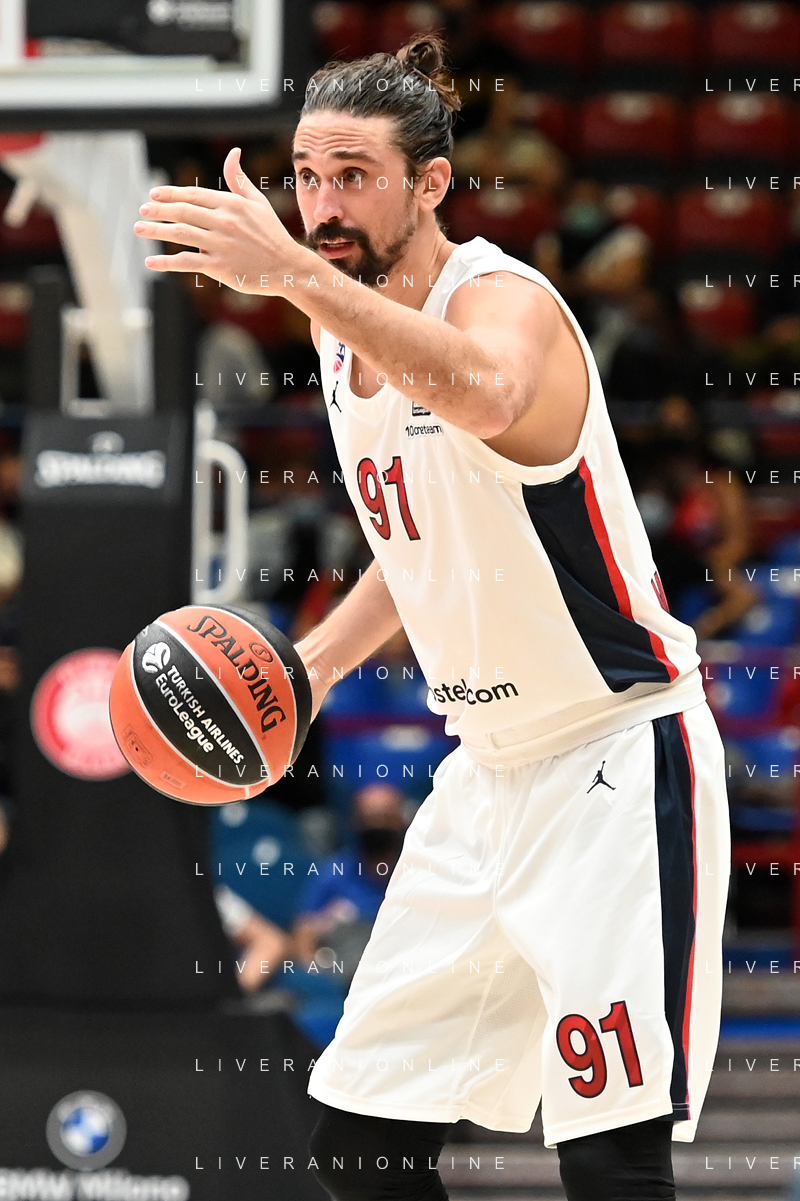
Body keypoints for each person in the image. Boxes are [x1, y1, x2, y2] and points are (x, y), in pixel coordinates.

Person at [133, 34, 731, 1201]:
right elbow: (416, 543)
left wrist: (294, 275)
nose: (321, 206)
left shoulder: (505, 304)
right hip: (482, 777)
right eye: (307, 177)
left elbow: (487, 395)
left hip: (612, 757)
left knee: (608, 1160)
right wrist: (307, 669)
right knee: (361, 1150)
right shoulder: (338, 330)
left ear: (430, 183)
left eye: (353, 175)